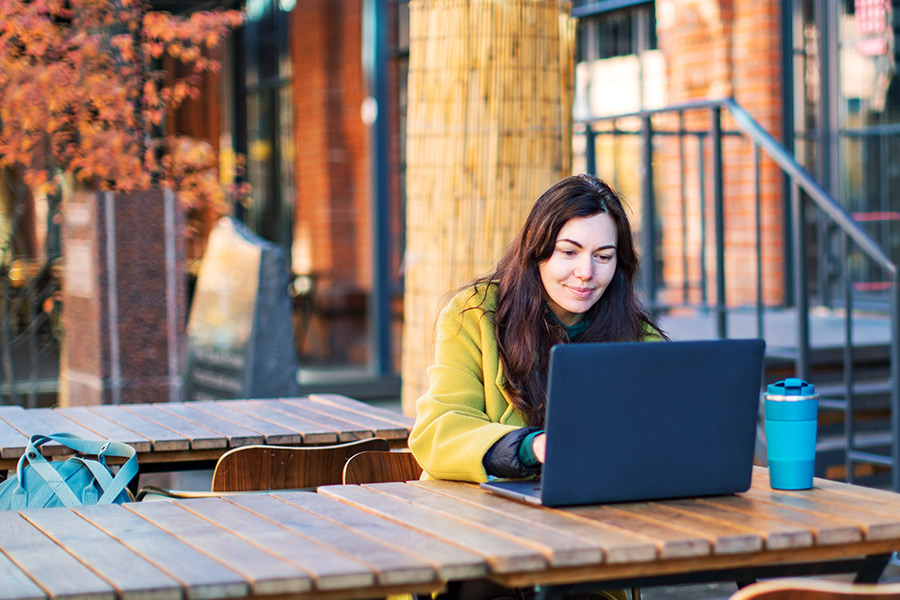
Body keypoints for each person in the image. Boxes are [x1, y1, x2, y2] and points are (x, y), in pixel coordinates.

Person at [410, 173, 667, 483]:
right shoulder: (474, 315)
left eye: (603, 257)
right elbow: (439, 430)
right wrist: (533, 448)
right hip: (478, 510)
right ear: (537, 250)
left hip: (595, 505)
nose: (586, 272)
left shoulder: (639, 339)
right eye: (569, 252)